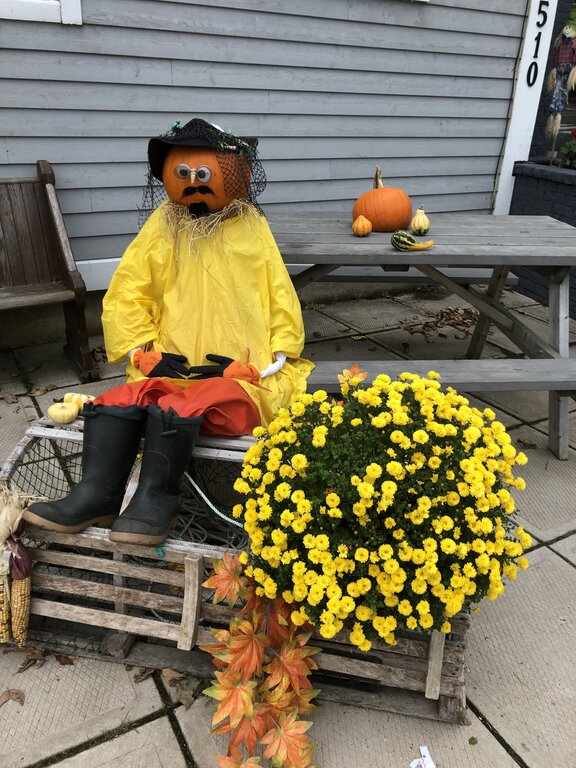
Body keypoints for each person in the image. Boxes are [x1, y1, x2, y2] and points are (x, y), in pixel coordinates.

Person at [25, 118, 313, 545]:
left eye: (205, 172)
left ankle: (158, 497)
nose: (195, 182)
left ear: (236, 173)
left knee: (203, 399)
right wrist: (142, 351)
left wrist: (266, 368)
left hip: (236, 374)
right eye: (184, 172)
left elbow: (278, 295)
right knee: (123, 398)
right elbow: (129, 288)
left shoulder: (250, 226)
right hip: (169, 363)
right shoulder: (164, 224)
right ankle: (97, 494)